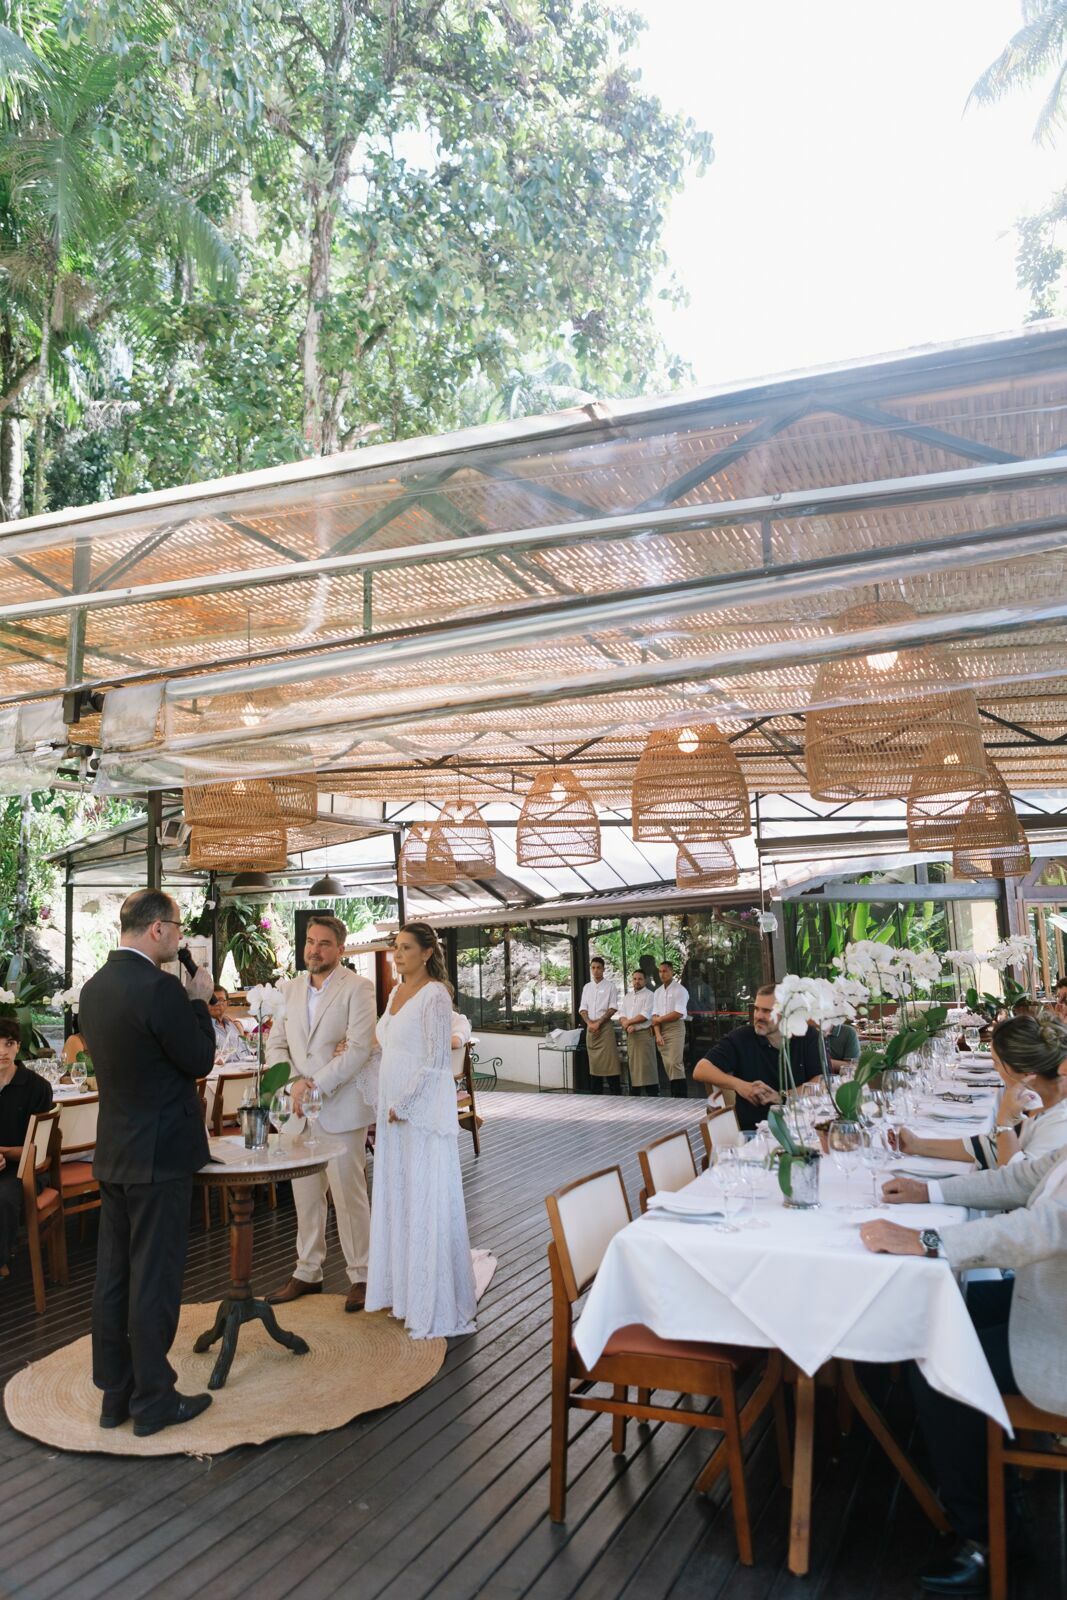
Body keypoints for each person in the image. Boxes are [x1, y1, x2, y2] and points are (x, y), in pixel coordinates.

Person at [861, 1145, 1067, 1595]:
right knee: (948, 1314)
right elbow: (1018, 1179)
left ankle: (991, 1540)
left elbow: (1045, 1227)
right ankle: (991, 1482)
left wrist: (930, 1240)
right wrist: (927, 1192)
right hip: (1049, 1299)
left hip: (1059, 1335)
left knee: (940, 1368)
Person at [77, 888, 216, 1436]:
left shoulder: (93, 989)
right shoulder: (161, 989)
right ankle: (155, 1399)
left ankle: (116, 1396)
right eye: (177, 928)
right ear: (157, 929)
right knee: (153, 1280)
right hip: (160, 1156)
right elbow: (199, 1059)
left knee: (114, 1277)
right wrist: (198, 1001)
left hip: (114, 1152)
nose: (179, 938)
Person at [366, 921, 477, 1339]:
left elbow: (435, 1062)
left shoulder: (435, 996)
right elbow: (387, 1042)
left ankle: (430, 1300)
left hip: (418, 1113)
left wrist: (405, 1105)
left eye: (406, 948)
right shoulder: (395, 993)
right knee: (399, 1197)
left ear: (427, 953)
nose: (397, 954)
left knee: (423, 1196)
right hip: (392, 1111)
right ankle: (404, 1294)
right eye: (395, 947)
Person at [265, 914, 377, 1314]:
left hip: (339, 1107)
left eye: (324, 943)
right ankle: (308, 1270)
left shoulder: (359, 988)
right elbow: (275, 1045)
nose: (314, 949)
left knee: (349, 1195)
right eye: (310, 942)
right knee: (306, 1195)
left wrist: (316, 1084)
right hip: (297, 1109)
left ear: (340, 949)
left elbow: (360, 1048)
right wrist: (294, 1084)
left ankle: (363, 1275)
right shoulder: (289, 989)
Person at [895, 1013, 1067, 1171]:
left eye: (997, 1063)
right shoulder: (1039, 1103)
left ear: (1027, 1073)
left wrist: (1004, 1122)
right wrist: (916, 1144)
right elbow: (993, 1148)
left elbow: (1014, 1181)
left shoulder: (1060, 1121)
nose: (995, 1069)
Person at [694, 982, 822, 1132]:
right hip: (755, 1133)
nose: (758, 1016)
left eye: (767, 1011)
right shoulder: (742, 1038)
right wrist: (740, 1085)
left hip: (802, 1126)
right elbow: (701, 1069)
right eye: (756, 1009)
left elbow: (820, 1081)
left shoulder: (807, 1036)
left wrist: (782, 1097)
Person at [0, 1017, 53, 1278]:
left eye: (9, 1043)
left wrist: (4, 1153)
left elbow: (38, 1151)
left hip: (24, 1170)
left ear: (18, 1046)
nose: (2, 1051)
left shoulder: (37, 1087)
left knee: (2, 1197)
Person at [579, 955, 620, 1095]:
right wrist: (590, 1023)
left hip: (605, 1028)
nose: (596, 970)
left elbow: (612, 1008)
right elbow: (583, 1008)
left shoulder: (610, 986)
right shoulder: (587, 987)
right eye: (593, 968)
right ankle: (596, 1096)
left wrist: (598, 1023)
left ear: (603, 969)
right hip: (591, 1028)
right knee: (594, 1066)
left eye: (598, 968)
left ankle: (616, 1096)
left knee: (611, 1065)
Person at [651, 959, 689, 1098]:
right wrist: (657, 1034)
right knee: (668, 1064)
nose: (662, 974)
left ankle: (681, 1096)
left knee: (675, 1062)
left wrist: (659, 1020)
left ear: (672, 972)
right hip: (661, 1029)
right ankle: (674, 1095)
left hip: (675, 1027)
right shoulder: (657, 992)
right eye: (660, 971)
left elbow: (678, 1013)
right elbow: (654, 1015)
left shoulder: (680, 990)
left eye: (665, 971)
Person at [618, 970, 657, 1096]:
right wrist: (626, 1024)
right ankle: (635, 1095)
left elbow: (645, 1015)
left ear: (645, 980)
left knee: (647, 1066)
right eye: (634, 979)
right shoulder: (627, 996)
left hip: (644, 1035)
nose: (637, 981)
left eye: (640, 979)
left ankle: (653, 1095)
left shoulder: (650, 995)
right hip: (631, 1036)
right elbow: (622, 1014)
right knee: (634, 1066)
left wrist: (629, 1023)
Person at [207, 986, 246, 1056]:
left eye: (220, 1000)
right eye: (211, 1000)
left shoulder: (233, 1025)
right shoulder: (203, 1028)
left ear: (227, 1003)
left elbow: (246, 1051)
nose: (216, 1003)